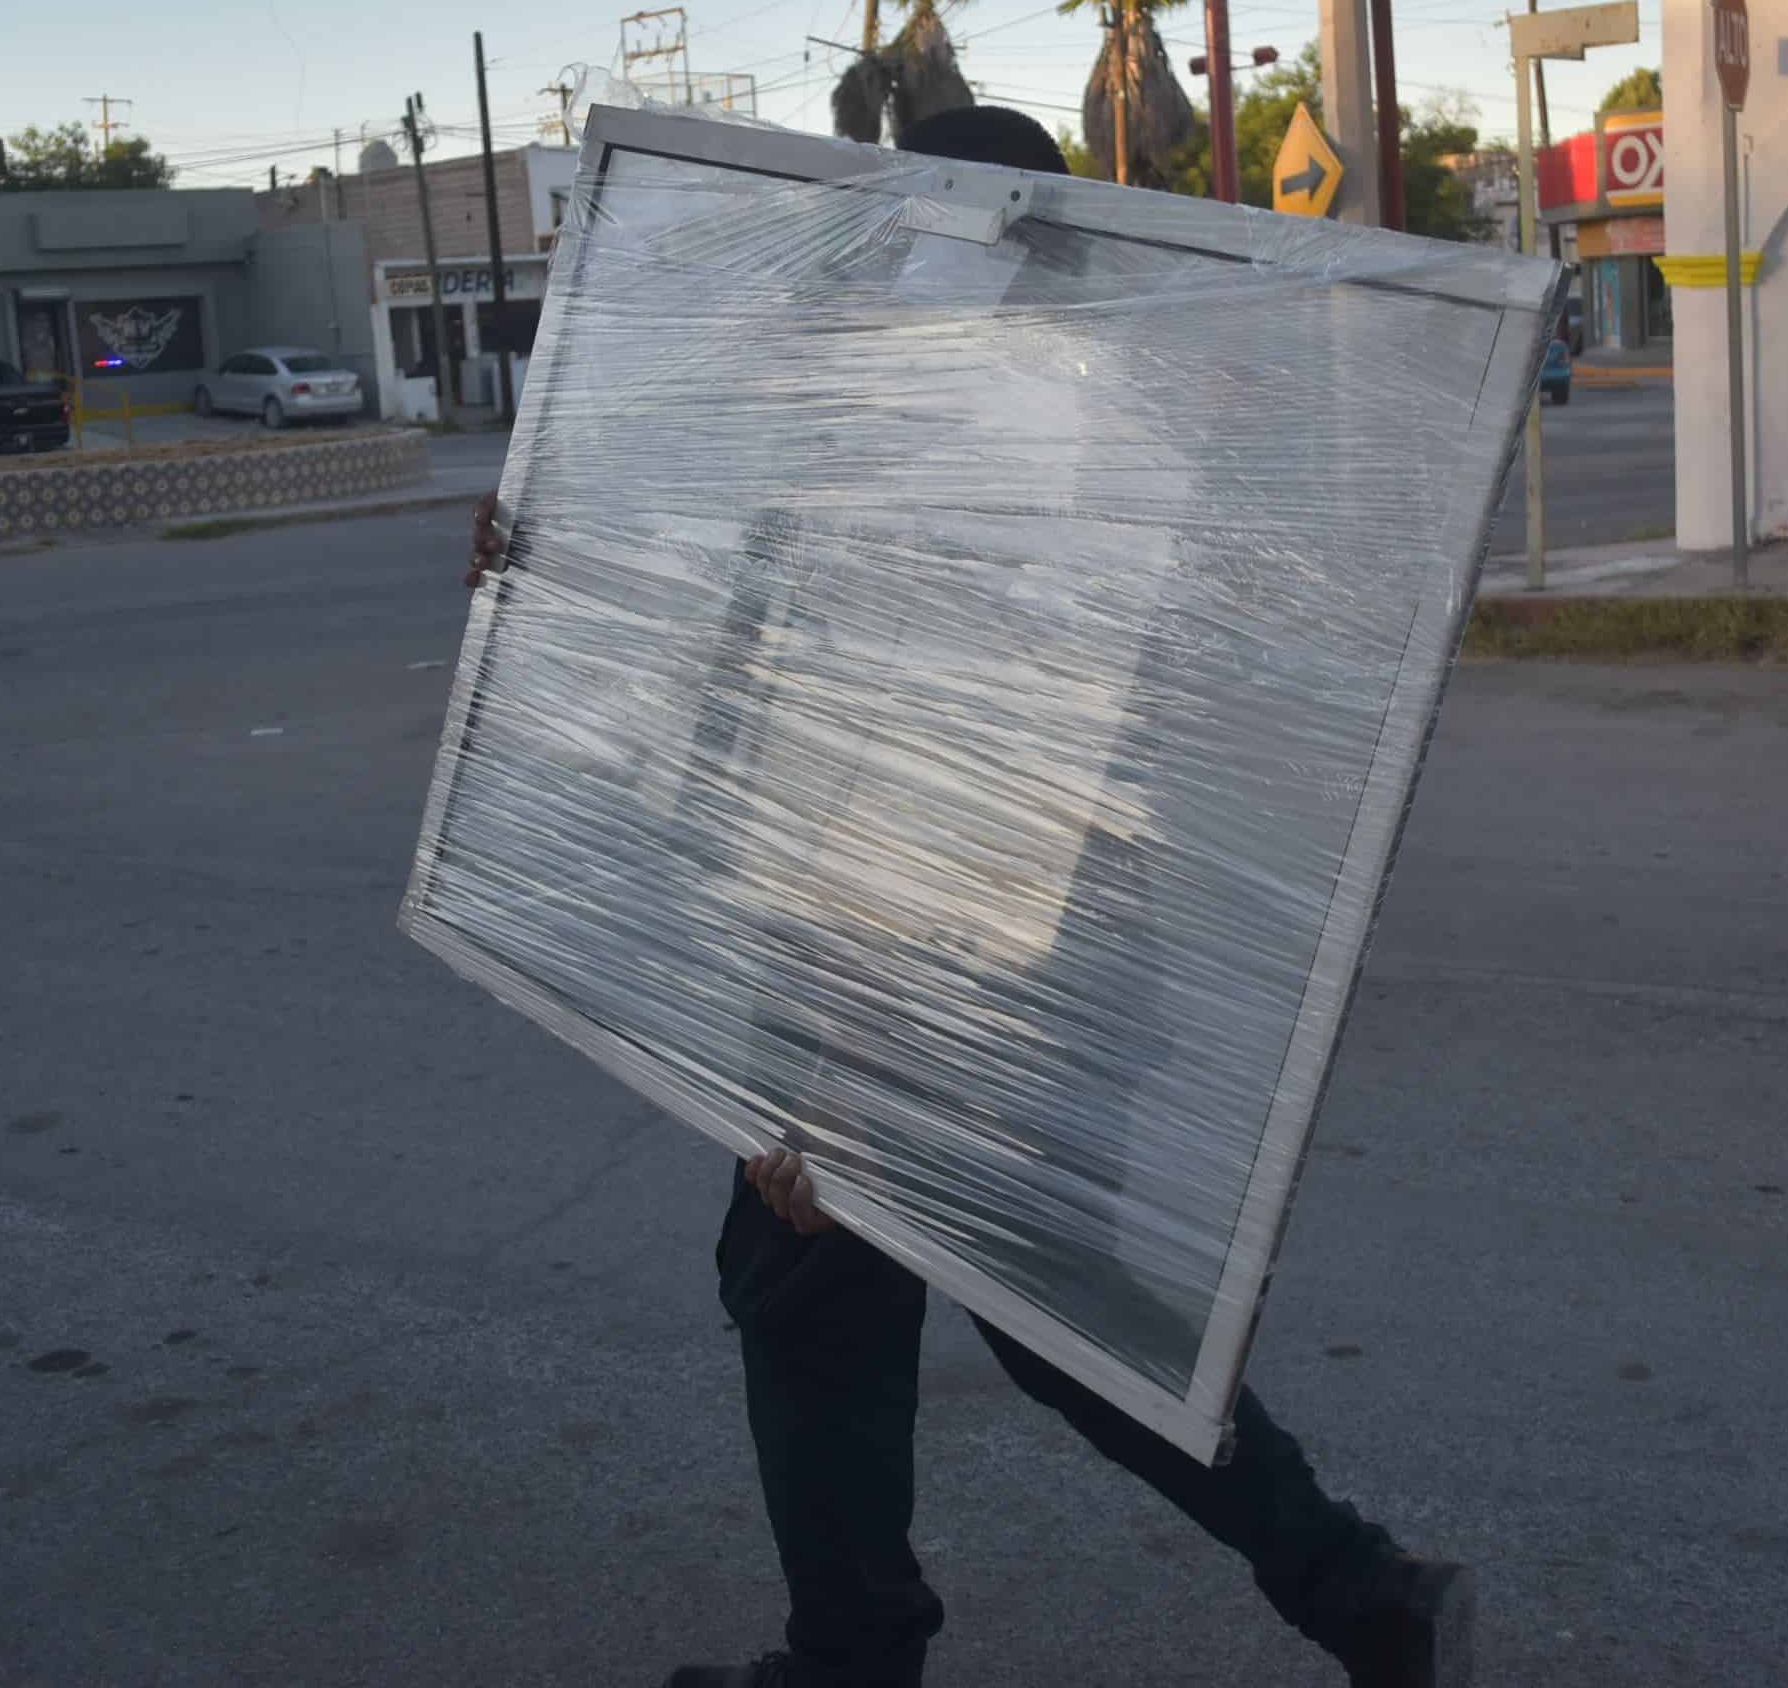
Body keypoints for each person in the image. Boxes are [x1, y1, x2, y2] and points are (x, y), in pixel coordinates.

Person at [466, 106, 1472, 1688]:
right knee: (1041, 1311)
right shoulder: (1075, 421)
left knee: (824, 1295)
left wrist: (854, 1031)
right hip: (1004, 939)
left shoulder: (975, 435)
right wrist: (539, 572)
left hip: (929, 941)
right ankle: (1356, 1592)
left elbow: (896, 689)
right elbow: (733, 635)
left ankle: (868, 1656)